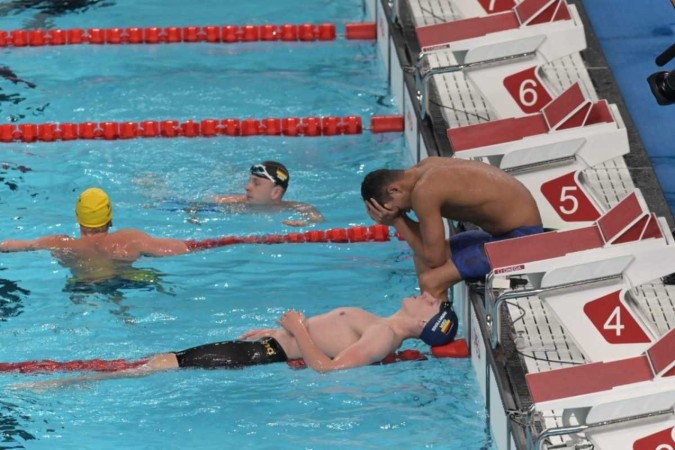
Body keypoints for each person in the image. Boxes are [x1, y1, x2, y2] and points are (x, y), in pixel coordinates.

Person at [14, 292, 458, 389]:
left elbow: (329, 369)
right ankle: (64, 379)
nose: (430, 296)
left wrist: (297, 331)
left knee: (147, 368)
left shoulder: (382, 334)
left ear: (429, 324)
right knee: (153, 362)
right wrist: (279, 333)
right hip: (261, 348)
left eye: (436, 304)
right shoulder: (378, 321)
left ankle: (53, 385)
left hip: (254, 358)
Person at [361, 157, 543, 300]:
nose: (405, 212)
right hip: (503, 235)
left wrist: (397, 222)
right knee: (420, 257)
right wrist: (399, 218)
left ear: (394, 190)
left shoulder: (424, 191)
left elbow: (436, 260)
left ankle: (444, 328)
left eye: (398, 209)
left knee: (431, 281)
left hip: (523, 240)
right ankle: (445, 313)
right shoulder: (426, 167)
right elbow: (427, 252)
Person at [0, 187, 191, 283]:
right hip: (124, 280)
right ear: (110, 218)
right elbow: (178, 249)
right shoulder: (129, 238)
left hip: (82, 285)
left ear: (78, 218)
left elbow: (16, 245)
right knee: (156, 279)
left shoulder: (59, 243)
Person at [212, 161, 324, 227]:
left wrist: (307, 224)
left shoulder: (289, 207)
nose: (246, 187)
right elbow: (206, 202)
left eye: (256, 183)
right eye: (249, 181)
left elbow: (315, 216)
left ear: (276, 192)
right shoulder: (235, 201)